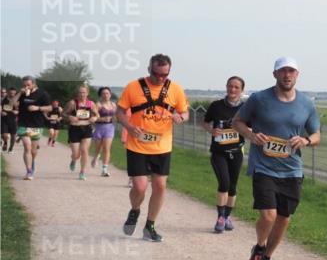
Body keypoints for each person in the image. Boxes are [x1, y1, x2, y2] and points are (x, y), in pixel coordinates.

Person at [232, 57, 320, 260]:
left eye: (291, 71)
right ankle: (259, 247)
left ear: (297, 75)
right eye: (283, 71)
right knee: (268, 215)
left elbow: (317, 134)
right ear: (275, 74)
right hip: (264, 166)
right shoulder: (259, 99)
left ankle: (267, 258)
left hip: (291, 169)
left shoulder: (306, 103)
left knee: (283, 218)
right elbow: (237, 122)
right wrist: (251, 135)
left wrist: (306, 141)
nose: (287, 75)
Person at [116, 54, 189, 242]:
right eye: (157, 74)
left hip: (162, 146)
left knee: (160, 186)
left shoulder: (176, 89)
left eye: (165, 74)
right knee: (139, 187)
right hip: (137, 145)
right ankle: (135, 210)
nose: (161, 78)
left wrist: (181, 118)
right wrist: (129, 127)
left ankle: (150, 226)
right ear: (149, 69)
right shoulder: (133, 87)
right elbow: (120, 112)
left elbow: (185, 112)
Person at [203, 76, 246, 233]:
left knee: (233, 187)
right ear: (226, 87)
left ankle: (227, 216)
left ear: (241, 90)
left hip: (236, 152)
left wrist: (246, 131)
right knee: (224, 184)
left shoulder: (245, 108)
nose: (232, 90)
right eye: (230, 86)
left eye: (236, 87)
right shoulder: (216, 106)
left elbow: (251, 127)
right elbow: (205, 122)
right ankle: (220, 217)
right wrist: (212, 131)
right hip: (219, 152)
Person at [15, 76, 51, 180]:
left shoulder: (42, 93)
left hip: (36, 124)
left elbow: (49, 107)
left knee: (33, 151)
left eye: (28, 85)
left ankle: (32, 162)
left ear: (34, 84)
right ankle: (29, 171)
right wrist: (19, 93)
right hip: (23, 124)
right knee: (27, 146)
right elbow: (12, 104)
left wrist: (38, 108)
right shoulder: (21, 94)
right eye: (24, 85)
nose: (26, 87)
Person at [66, 85, 97, 181]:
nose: (82, 94)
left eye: (84, 92)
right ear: (77, 93)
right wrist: (70, 117)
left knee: (84, 151)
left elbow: (97, 114)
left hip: (87, 128)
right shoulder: (72, 103)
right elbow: (63, 113)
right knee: (76, 154)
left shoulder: (91, 104)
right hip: (75, 129)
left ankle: (82, 172)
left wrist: (94, 118)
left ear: (87, 93)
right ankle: (74, 159)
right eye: (80, 92)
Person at [90, 87, 117, 177]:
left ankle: (104, 169)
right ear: (100, 95)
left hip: (110, 128)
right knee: (98, 148)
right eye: (104, 93)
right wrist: (102, 118)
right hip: (99, 128)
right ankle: (95, 157)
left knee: (106, 148)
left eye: (107, 93)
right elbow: (92, 118)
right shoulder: (98, 105)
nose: (106, 95)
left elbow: (117, 115)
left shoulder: (113, 105)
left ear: (110, 94)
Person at [2, 88, 19, 152]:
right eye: (11, 93)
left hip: (13, 120)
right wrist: (1, 112)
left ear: (15, 94)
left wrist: (17, 112)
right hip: (4, 120)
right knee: (4, 135)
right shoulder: (4, 99)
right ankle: (5, 143)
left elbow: (20, 110)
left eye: (14, 93)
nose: (12, 94)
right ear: (8, 93)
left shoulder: (17, 101)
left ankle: (11, 148)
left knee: (13, 137)